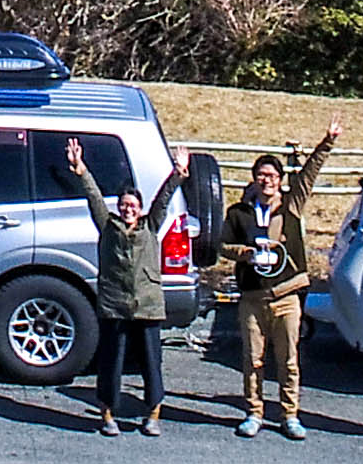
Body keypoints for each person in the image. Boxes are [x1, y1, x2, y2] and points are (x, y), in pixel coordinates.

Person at [203, 135, 337, 439]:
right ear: (254, 179)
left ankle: (290, 415)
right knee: (252, 359)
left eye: (273, 176)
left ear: (280, 180)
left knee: (289, 360)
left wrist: (327, 143)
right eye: (262, 175)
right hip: (252, 297)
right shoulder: (239, 213)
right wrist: (245, 253)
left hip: (287, 296)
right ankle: (254, 413)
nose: (268, 181)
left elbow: (309, 175)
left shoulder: (291, 206)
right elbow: (223, 245)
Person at [78, 158, 181, 434]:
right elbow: (94, 198)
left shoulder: (150, 226)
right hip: (115, 306)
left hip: (147, 306)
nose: (128, 209)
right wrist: (82, 170)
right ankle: (107, 414)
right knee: (111, 361)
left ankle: (153, 413)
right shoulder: (107, 226)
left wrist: (178, 174)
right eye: (124, 205)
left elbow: (163, 200)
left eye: (133, 205)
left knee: (151, 362)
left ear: (141, 208)